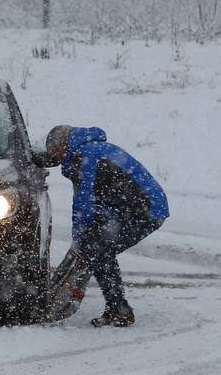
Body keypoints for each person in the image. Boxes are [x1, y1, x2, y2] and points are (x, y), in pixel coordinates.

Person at [45, 125, 169, 327]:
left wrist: (81, 240)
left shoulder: (87, 155)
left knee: (99, 251)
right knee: (98, 250)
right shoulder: (86, 150)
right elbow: (90, 201)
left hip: (145, 210)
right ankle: (118, 308)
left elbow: (84, 201)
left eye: (54, 151)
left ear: (63, 144)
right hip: (132, 207)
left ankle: (119, 309)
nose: (53, 156)